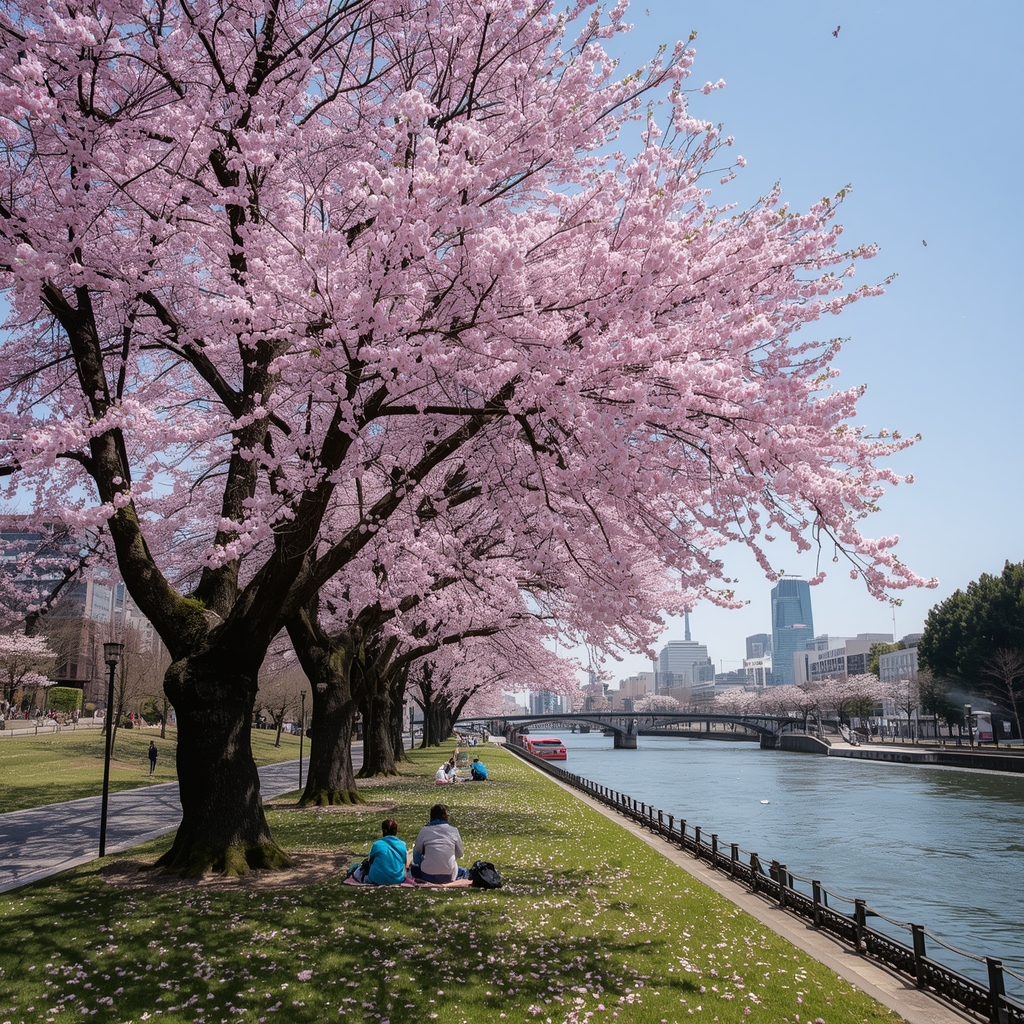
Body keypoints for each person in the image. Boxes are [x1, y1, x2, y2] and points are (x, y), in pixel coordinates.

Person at [411, 803, 469, 883]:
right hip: (449, 875)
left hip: (427, 875)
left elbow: (416, 858)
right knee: (464, 871)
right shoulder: (454, 830)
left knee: (413, 868)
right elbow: (460, 854)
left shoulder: (424, 830)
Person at [353, 818, 408, 885]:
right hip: (397, 879)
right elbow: (405, 863)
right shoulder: (402, 845)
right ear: (396, 831)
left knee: (355, 868)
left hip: (376, 879)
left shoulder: (377, 845)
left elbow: (370, 861)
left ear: (383, 831)